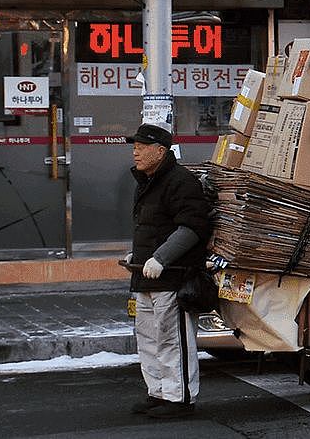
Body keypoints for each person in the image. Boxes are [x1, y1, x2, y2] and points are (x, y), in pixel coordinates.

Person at [122, 123, 211, 419]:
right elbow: (155, 227)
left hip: (174, 275)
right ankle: (158, 392)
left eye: (141, 146)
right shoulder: (147, 181)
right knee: (147, 336)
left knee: (174, 339)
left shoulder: (180, 181)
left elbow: (193, 227)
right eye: (134, 145)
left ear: (160, 151)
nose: (135, 151)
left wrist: (160, 258)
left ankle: (180, 399)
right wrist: (140, 255)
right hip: (147, 277)